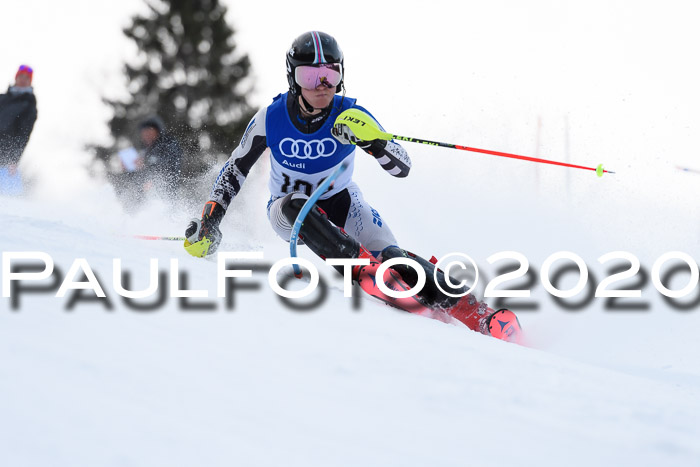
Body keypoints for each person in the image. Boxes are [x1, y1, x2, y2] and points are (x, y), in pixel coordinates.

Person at [185, 31, 521, 342]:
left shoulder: (350, 113)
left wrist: (373, 142)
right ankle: (364, 272)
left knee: (394, 256)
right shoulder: (270, 118)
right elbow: (234, 170)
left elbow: (401, 166)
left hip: (342, 201)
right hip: (287, 210)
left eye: (330, 75)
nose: (321, 85)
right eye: (310, 76)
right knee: (297, 205)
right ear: (293, 79)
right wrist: (210, 220)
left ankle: (482, 316)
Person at [0, 65, 37, 194]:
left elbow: (24, 134)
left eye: (27, 78)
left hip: (4, 154)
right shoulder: (2, 98)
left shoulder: (29, 104)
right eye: (21, 76)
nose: (23, 79)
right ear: (16, 77)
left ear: (30, 81)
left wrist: (14, 159)